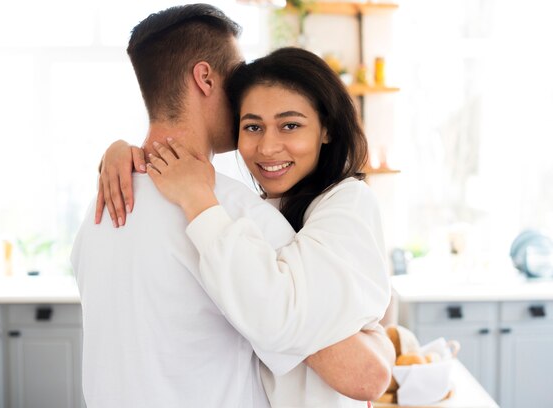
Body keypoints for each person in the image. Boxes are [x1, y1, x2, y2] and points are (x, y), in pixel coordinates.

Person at [74, 4, 392, 408]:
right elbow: (362, 371)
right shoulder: (233, 211)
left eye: (290, 124)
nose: (245, 92)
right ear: (206, 78)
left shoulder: (100, 209)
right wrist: (377, 333)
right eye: (238, 74)